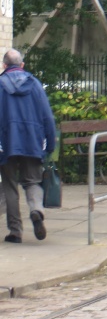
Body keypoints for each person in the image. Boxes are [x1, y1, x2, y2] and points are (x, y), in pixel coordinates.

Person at [0, 49, 57, 243]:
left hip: (5, 144)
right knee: (32, 182)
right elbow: (47, 117)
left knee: (9, 186)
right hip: (32, 142)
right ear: (22, 65)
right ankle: (36, 210)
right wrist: (50, 143)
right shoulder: (34, 84)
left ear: (4, 66)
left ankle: (15, 232)